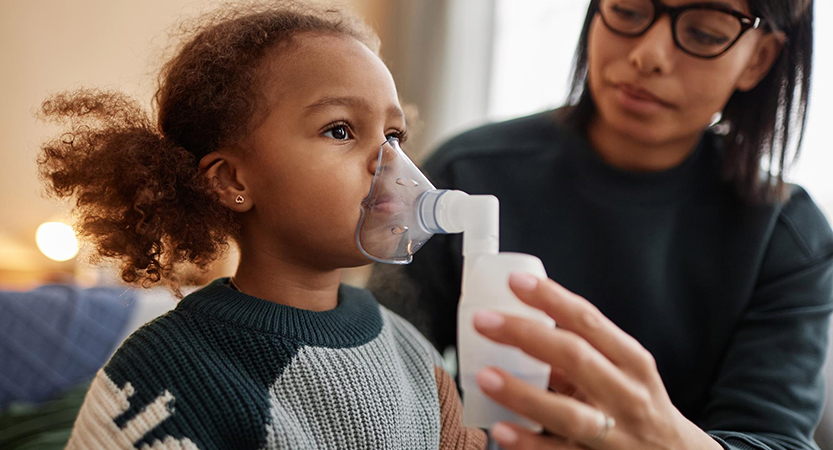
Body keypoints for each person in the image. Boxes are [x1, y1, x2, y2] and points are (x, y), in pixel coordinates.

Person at [369, 0, 833, 449]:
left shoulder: (787, 236)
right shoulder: (466, 175)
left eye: (703, 32)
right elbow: (384, 376)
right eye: (629, 10)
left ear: (759, 58)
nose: (647, 55)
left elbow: (775, 437)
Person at [36, 2, 486, 449]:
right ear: (233, 180)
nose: (387, 160)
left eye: (393, 136)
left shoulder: (412, 354)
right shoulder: (163, 374)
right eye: (340, 130)